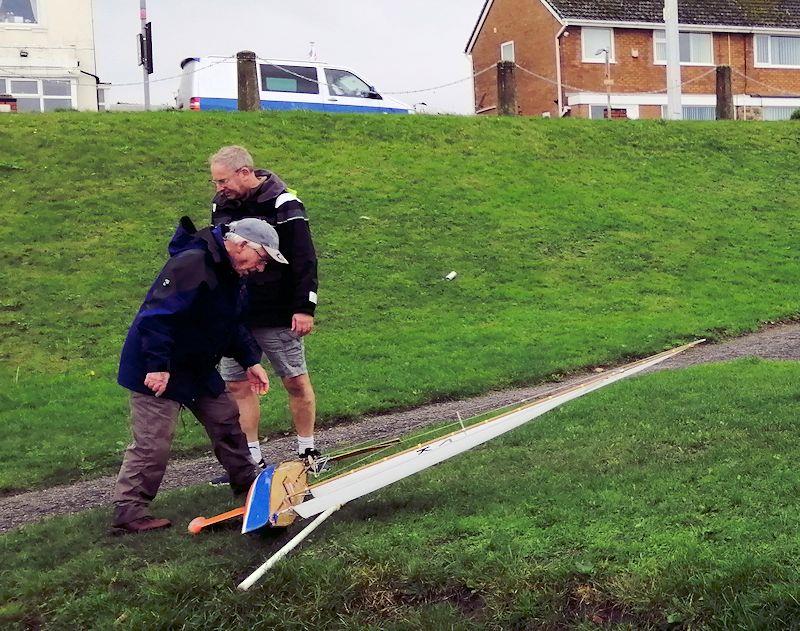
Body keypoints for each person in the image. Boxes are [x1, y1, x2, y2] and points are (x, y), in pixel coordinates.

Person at [111, 216, 288, 534]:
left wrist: (250, 360)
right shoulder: (193, 263)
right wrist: (157, 366)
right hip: (158, 365)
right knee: (154, 441)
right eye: (260, 259)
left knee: (226, 420)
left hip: (196, 366)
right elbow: (157, 316)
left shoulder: (232, 271)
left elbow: (230, 322)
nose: (259, 268)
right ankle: (129, 510)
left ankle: (248, 485)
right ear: (241, 245)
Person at [207, 146, 319, 481]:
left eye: (223, 180)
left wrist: (304, 307)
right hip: (238, 314)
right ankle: (249, 462)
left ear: (244, 172)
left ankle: (308, 452)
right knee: (237, 385)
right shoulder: (221, 205)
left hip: (278, 311)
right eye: (215, 181)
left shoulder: (285, 204)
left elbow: (304, 258)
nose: (218, 188)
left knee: (295, 380)